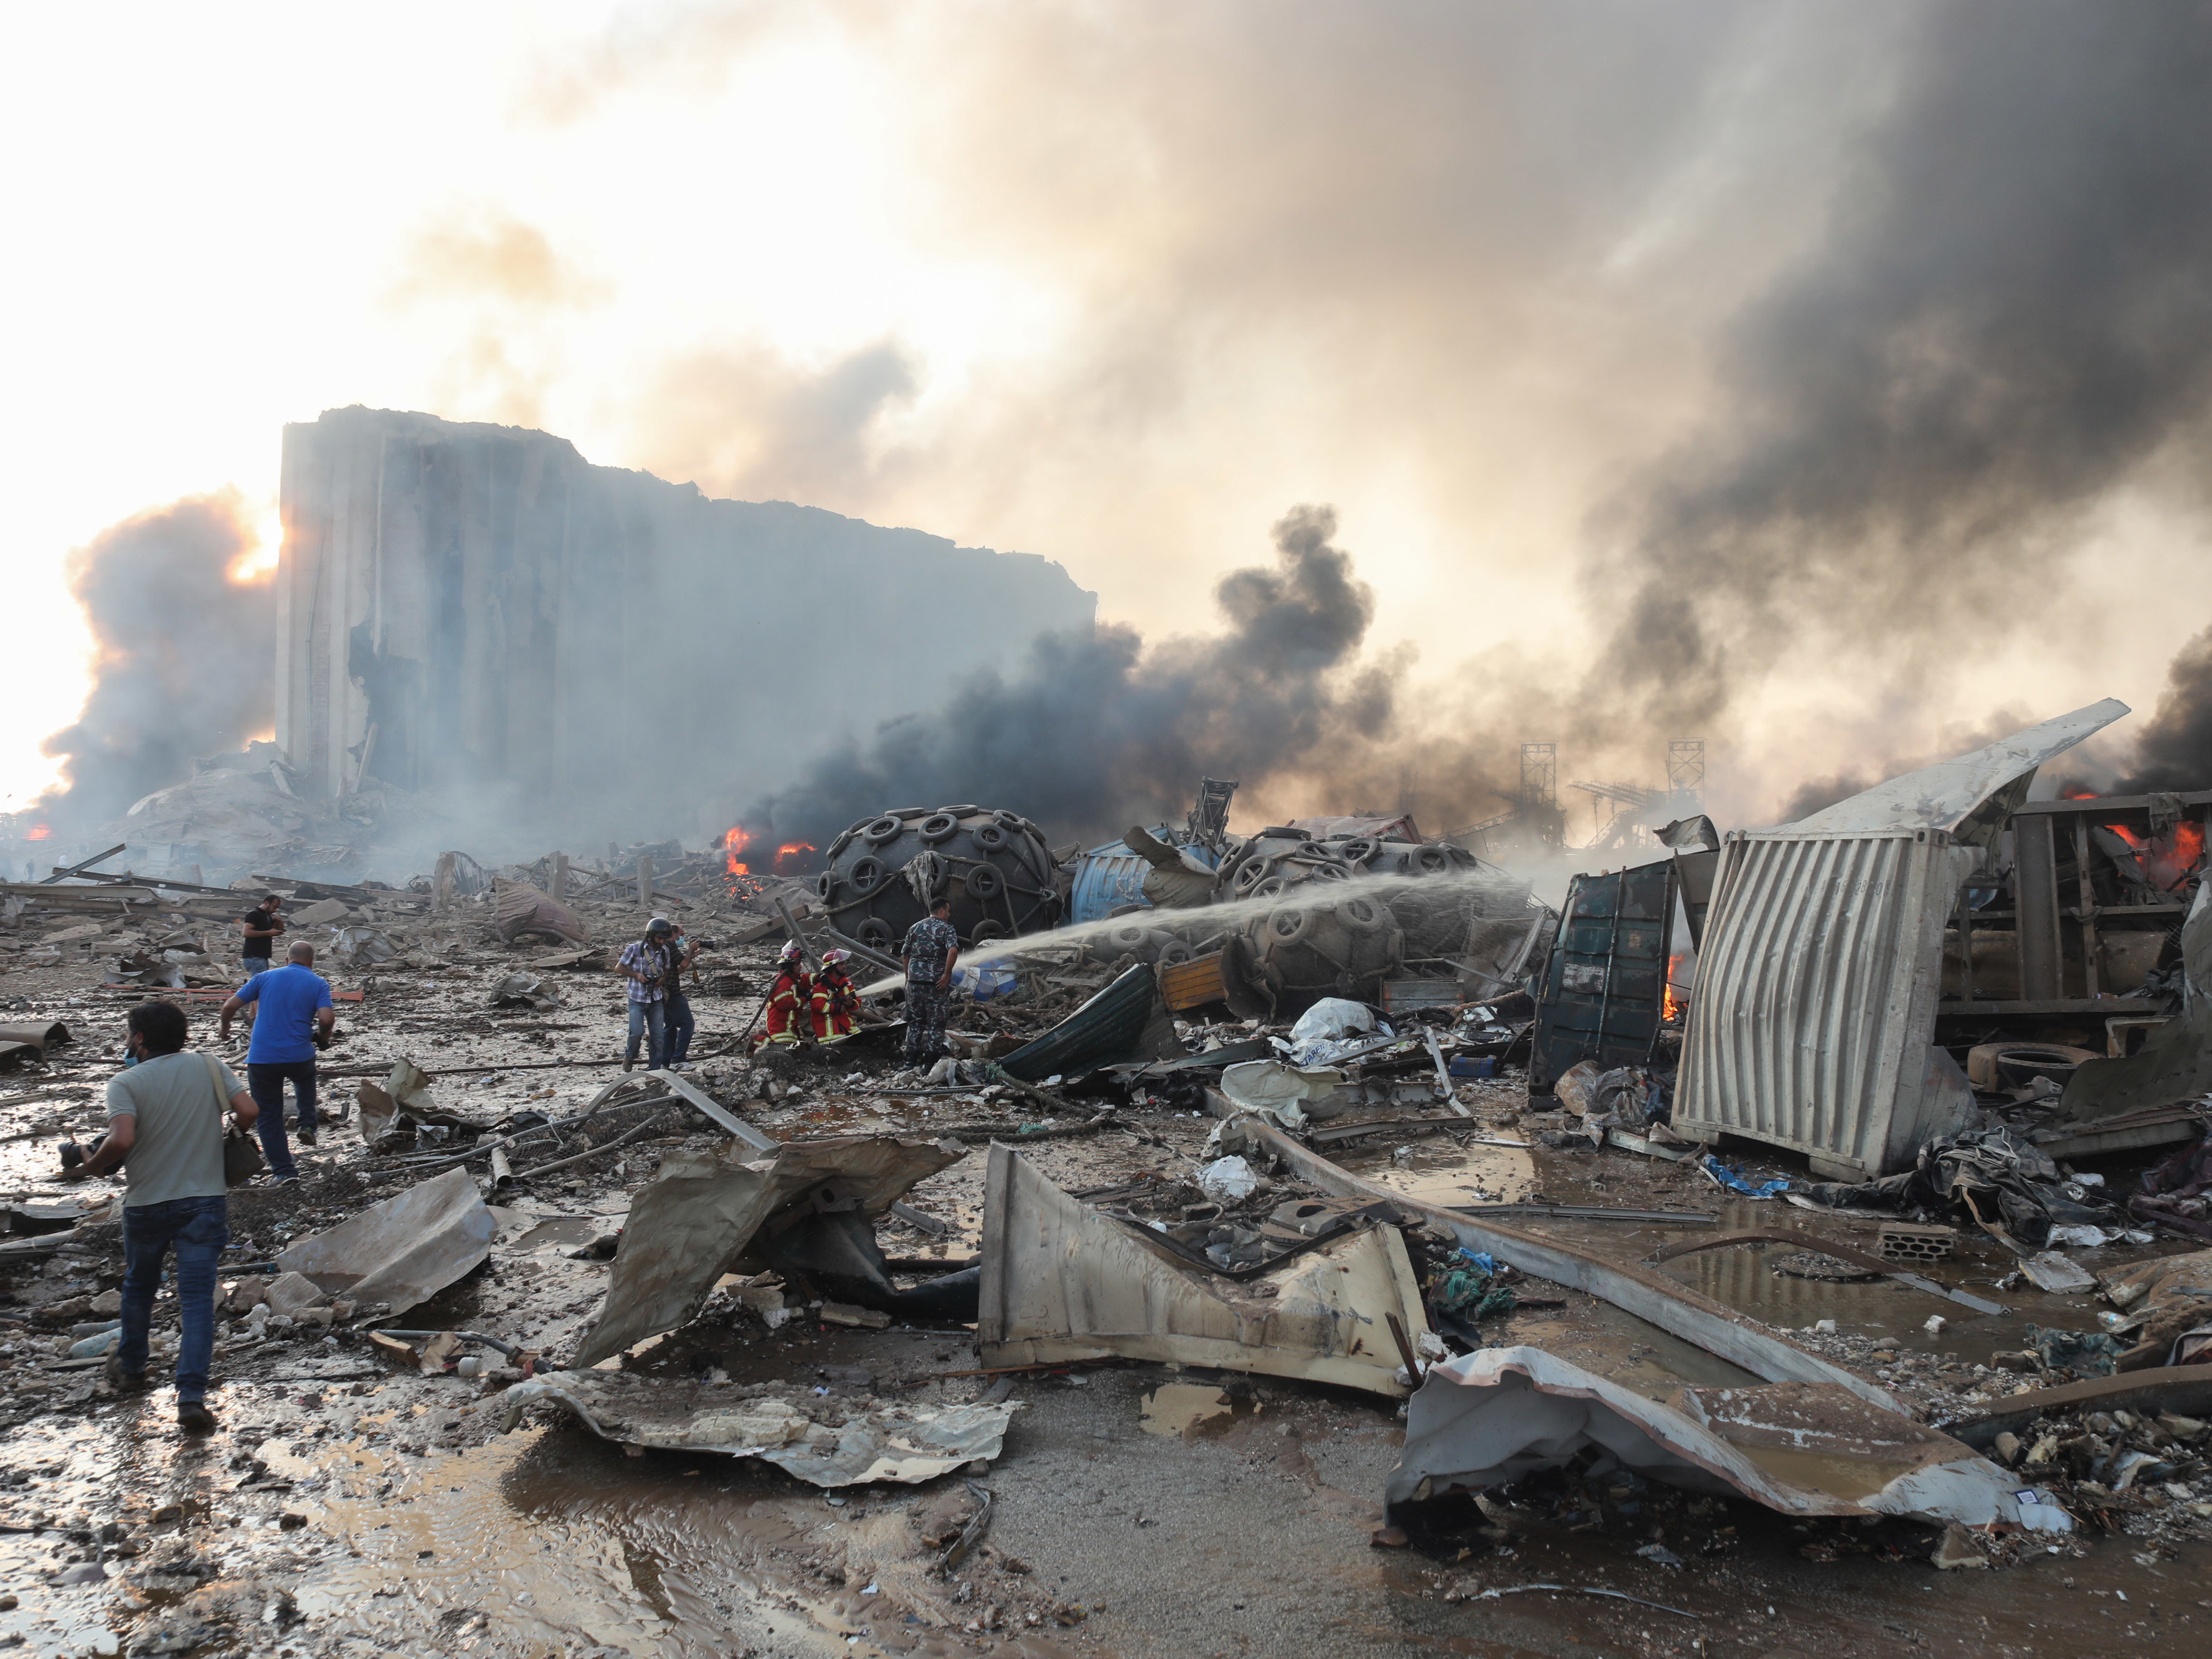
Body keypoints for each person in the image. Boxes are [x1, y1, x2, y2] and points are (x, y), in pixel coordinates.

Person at [61, 1000, 257, 1435]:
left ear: (141, 1039)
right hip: (204, 1201)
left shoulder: (125, 1082)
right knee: (197, 1301)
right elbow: (249, 1111)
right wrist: (232, 1136)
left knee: (139, 1289)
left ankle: (131, 1368)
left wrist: (92, 1163)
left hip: (147, 1203)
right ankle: (190, 1397)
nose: (128, 1042)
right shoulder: (209, 1066)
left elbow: (123, 1138)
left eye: (130, 1034)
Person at [218, 940, 334, 1181]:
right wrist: (323, 1037)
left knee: (268, 1116)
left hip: (263, 1059)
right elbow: (326, 1018)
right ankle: (307, 1124)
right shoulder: (318, 983)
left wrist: (225, 1028)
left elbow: (229, 1006)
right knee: (304, 1079)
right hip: (299, 1056)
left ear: (287, 960)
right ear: (311, 962)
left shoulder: (264, 977)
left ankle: (284, 1172)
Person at [900, 896, 960, 1066]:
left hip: (915, 984)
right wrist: (947, 974)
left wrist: (908, 979)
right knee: (936, 1024)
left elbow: (905, 955)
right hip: (936, 984)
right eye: (948, 911)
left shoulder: (915, 927)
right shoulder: (947, 929)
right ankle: (930, 1065)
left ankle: (909, 1062)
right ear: (942, 911)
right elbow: (953, 951)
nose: (949, 914)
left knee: (915, 1023)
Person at [618, 917, 677, 1071]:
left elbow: (667, 971)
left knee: (658, 1037)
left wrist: (661, 980)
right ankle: (630, 1056)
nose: (662, 942)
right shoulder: (634, 949)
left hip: (656, 998)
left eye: (664, 939)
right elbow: (619, 968)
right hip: (637, 997)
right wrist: (637, 975)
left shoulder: (665, 952)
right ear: (651, 936)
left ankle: (655, 1070)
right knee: (637, 1032)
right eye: (659, 938)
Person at [760, 940, 813, 1047]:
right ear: (789, 966)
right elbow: (786, 1004)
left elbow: (805, 979)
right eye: (798, 964)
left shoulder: (792, 979)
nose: (801, 967)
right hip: (781, 1029)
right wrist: (804, 998)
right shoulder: (783, 982)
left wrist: (820, 977)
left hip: (791, 1028)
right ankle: (757, 1040)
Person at [663, 922, 701, 1071]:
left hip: (664, 992)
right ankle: (678, 1059)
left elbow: (675, 971)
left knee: (670, 1026)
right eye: (682, 935)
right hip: (672, 992)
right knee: (687, 1024)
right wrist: (691, 950)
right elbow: (684, 964)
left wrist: (691, 955)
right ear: (674, 934)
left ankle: (666, 1061)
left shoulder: (663, 947)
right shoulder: (670, 945)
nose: (682, 938)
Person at [811, 948, 859, 1044]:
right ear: (833, 967)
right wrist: (838, 1007)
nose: (845, 966)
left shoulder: (846, 983)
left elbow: (858, 1001)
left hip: (848, 1029)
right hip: (830, 1035)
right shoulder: (822, 986)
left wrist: (851, 1003)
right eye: (842, 964)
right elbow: (818, 1006)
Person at [239, 892, 285, 985]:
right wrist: (268, 933)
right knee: (261, 985)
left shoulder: (266, 916)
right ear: (267, 903)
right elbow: (246, 932)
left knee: (262, 983)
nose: (275, 910)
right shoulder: (254, 914)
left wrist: (279, 922)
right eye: (274, 907)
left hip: (261, 956)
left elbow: (278, 931)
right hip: (254, 956)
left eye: (277, 908)